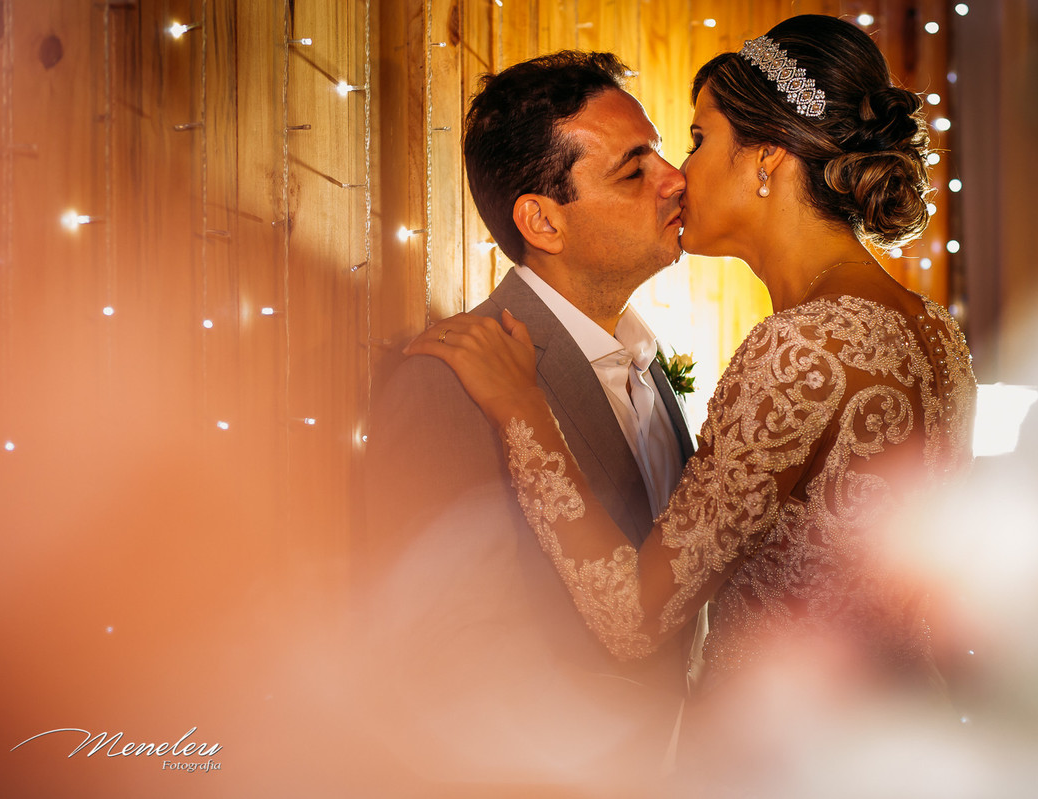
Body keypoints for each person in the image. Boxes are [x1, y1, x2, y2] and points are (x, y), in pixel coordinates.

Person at [406, 13, 977, 712]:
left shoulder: (797, 349)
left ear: (768, 157)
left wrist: (526, 410)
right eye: (647, 161)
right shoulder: (933, 332)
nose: (681, 175)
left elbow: (633, 620)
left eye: (700, 140)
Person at [363, 51, 698, 789]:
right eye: (634, 168)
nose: (676, 179)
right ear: (541, 219)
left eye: (663, 153)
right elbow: (441, 651)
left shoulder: (647, 361)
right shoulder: (447, 384)